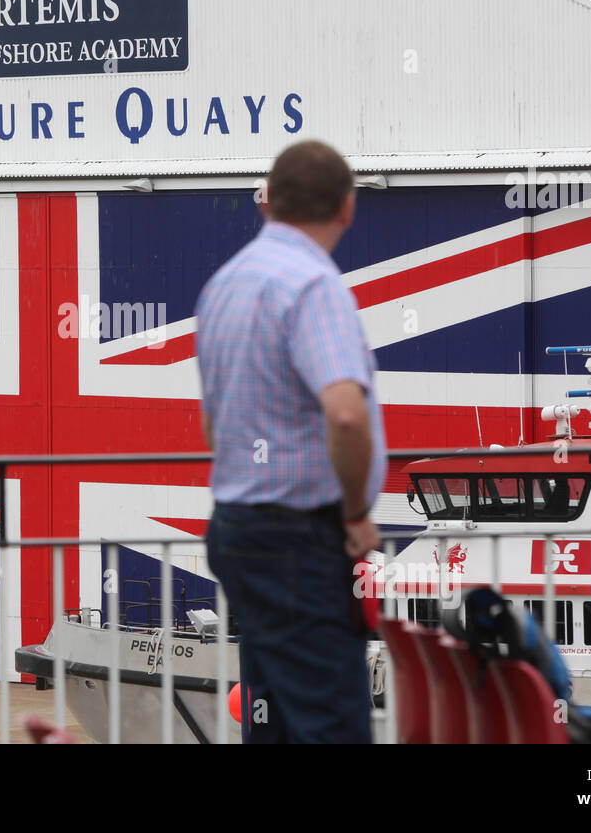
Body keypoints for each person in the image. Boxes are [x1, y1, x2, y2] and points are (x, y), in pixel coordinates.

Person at [195, 139, 386, 743]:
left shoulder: (222, 286)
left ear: (267, 203)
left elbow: (214, 421)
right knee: (332, 722)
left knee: (270, 717)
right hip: (300, 540)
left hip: (238, 530)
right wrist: (355, 514)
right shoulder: (313, 287)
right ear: (348, 210)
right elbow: (347, 415)